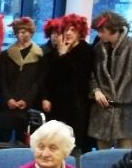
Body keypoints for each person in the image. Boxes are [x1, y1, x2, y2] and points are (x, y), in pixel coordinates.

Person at [88, 10, 132, 149]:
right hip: (102, 112)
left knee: (126, 152)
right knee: (101, 154)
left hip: (126, 112)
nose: (99, 35)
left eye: (102, 31)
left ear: (113, 29)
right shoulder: (98, 49)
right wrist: (96, 90)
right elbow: (91, 74)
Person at [40, 14, 94, 155]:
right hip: (57, 103)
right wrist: (45, 97)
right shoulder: (57, 50)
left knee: (73, 143)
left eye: (73, 30)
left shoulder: (86, 51)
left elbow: (79, 76)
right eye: (66, 30)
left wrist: (64, 56)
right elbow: (49, 77)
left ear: (80, 33)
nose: (68, 33)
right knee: (55, 141)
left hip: (76, 104)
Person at [0, 16, 44, 144]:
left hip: (27, 104)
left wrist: (26, 100)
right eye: (19, 32)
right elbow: (1, 79)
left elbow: (38, 82)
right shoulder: (6, 54)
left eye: (25, 31)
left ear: (31, 32)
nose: (21, 34)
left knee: (22, 140)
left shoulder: (39, 55)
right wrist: (8, 99)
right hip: (7, 104)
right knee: (3, 138)